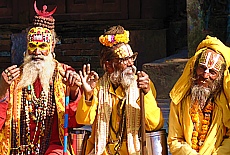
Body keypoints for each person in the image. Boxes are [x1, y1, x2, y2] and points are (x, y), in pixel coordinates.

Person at [0, 2, 82, 155]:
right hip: (18, 147)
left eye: (42, 46)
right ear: (26, 48)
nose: (36, 52)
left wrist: (74, 92)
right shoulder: (15, 77)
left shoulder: (65, 73)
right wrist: (2, 91)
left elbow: (74, 122)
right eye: (32, 45)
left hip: (53, 148)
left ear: (52, 47)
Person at [76, 25, 164, 155]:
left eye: (132, 58)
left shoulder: (142, 85)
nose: (131, 64)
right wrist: (88, 94)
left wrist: (146, 93)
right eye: (124, 60)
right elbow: (83, 120)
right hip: (102, 151)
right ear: (108, 65)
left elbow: (155, 125)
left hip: (133, 151)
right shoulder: (99, 87)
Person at [168, 35, 230, 155]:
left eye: (212, 72)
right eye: (202, 68)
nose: (205, 75)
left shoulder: (225, 103)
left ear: (220, 77)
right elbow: (174, 140)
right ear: (194, 68)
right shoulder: (180, 100)